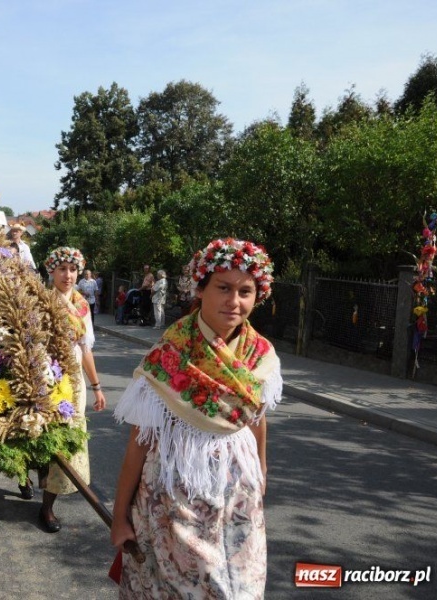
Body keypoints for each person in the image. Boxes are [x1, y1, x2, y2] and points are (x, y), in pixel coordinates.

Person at [110, 238, 281, 599]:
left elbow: (256, 418)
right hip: (174, 500)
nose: (234, 301)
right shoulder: (170, 354)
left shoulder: (260, 354)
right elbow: (139, 443)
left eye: (245, 292)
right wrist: (120, 516)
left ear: (258, 296)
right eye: (223, 288)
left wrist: (262, 471)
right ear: (200, 289)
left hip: (238, 497)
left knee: (240, 589)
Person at [34, 247, 107, 533]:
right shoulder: (41, 301)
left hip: (73, 381)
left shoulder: (82, 305)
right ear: (51, 271)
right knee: (39, 435)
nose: (68, 275)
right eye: (62, 269)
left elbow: (85, 349)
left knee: (65, 440)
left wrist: (97, 386)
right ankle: (27, 477)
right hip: (45, 377)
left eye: (73, 270)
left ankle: (47, 506)